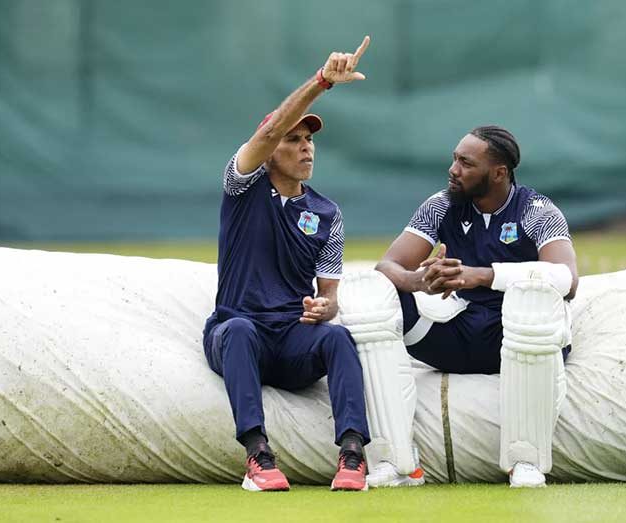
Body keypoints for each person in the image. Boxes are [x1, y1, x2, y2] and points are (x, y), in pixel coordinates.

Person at [338, 125, 578, 488]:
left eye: (466, 163)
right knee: (376, 295)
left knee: (535, 299)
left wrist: (480, 276)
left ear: (499, 173)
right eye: (454, 159)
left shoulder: (536, 210)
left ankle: (525, 460)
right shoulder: (442, 205)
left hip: (519, 337)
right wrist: (423, 280)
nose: (453, 169)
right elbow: (387, 267)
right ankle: (398, 460)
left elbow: (567, 279)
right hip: (461, 333)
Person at [202, 36, 373, 492]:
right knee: (237, 330)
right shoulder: (241, 188)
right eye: (294, 139)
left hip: (292, 340)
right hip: (243, 333)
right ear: (273, 147)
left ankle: (353, 454)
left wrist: (325, 309)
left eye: (310, 140)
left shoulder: (327, 213)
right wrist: (321, 82)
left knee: (338, 339)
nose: (306, 148)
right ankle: (257, 454)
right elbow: (268, 129)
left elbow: (330, 296)